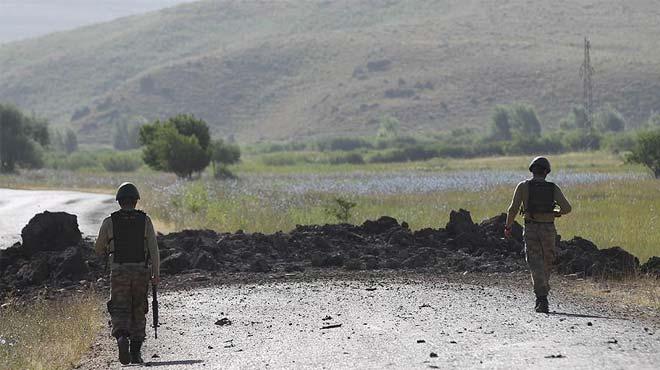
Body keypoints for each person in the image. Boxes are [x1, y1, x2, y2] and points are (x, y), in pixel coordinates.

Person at [95, 182, 160, 365]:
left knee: (120, 307)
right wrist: (156, 274)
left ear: (119, 201)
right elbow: (154, 250)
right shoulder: (145, 221)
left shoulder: (110, 222)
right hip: (141, 271)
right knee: (138, 309)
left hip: (119, 271)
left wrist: (109, 246)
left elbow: (99, 248)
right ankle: (135, 353)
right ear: (136, 201)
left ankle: (122, 337)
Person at [504, 157, 571, 313]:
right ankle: (543, 292)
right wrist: (555, 213)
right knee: (547, 260)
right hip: (548, 229)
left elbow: (512, 209)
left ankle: (541, 298)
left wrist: (507, 226)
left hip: (531, 228)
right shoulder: (553, 188)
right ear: (546, 172)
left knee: (535, 262)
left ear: (532, 170)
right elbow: (567, 208)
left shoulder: (523, 186)